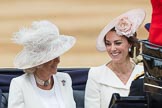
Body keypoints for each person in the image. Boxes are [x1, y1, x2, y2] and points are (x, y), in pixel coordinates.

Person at [84, 8, 145, 108]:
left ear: (130, 43)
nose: (112, 49)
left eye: (118, 43)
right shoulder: (96, 74)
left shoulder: (143, 73)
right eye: (108, 44)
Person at [8, 20, 76, 108]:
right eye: (52, 57)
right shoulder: (19, 84)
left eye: (58, 55)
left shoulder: (65, 79)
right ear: (38, 63)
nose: (58, 60)